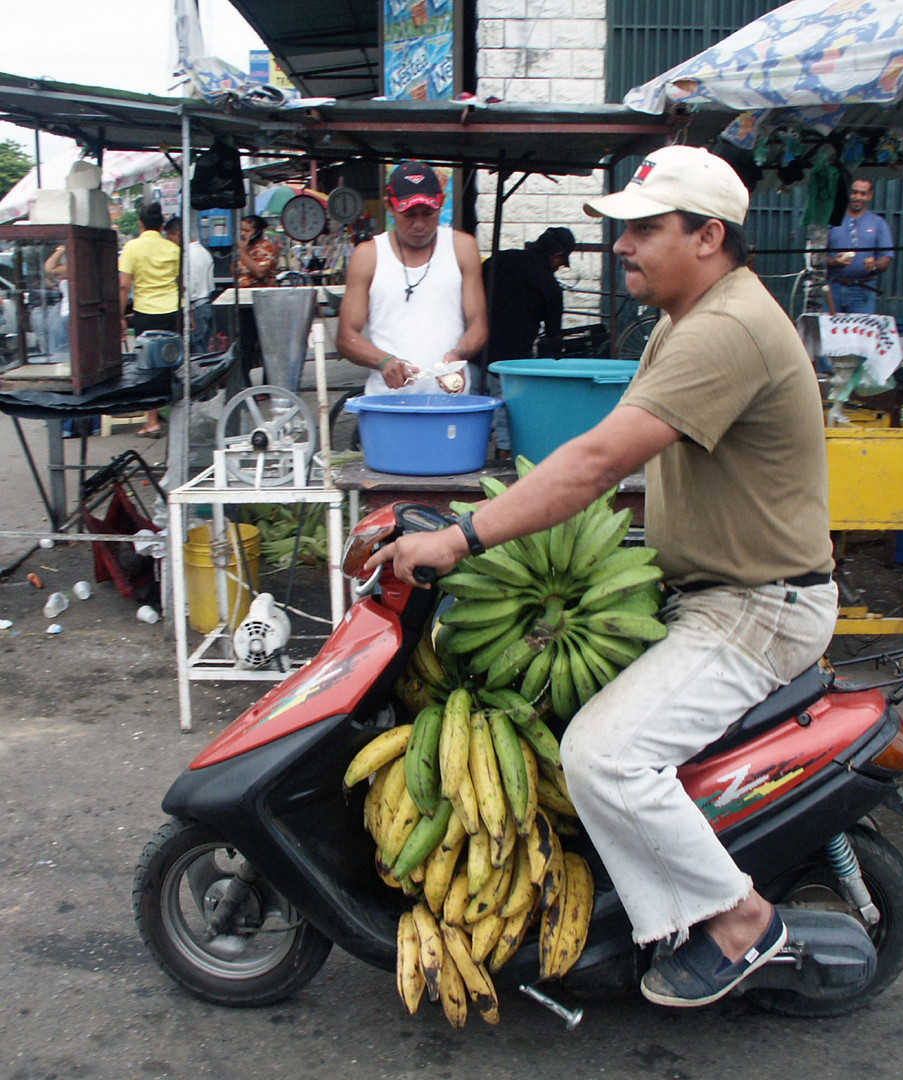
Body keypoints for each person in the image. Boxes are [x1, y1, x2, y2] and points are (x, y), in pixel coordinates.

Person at [366, 145, 837, 1007]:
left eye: (645, 229)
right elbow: (616, 447)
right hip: (706, 592)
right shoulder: (683, 321)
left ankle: (740, 921)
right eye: (621, 229)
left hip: (755, 609)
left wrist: (467, 535)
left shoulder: (728, 328)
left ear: (709, 236)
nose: (621, 246)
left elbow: (593, 464)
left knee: (602, 756)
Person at [336, 160, 487, 396]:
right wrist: (383, 361)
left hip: (449, 402)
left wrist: (458, 354)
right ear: (389, 206)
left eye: (428, 213)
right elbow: (346, 337)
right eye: (409, 214)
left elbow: (478, 325)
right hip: (387, 403)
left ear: (442, 204)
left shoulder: (462, 247)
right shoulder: (368, 256)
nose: (419, 225)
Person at [479, 226, 576, 453]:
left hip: (474, 351)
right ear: (557, 256)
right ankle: (503, 459)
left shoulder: (498, 260)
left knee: (473, 414)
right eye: (561, 263)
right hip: (510, 362)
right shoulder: (549, 286)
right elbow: (553, 335)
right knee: (507, 419)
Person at [118, 201, 180, 438]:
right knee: (173, 364)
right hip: (173, 311)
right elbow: (180, 284)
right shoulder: (173, 249)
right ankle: (178, 416)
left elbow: (124, 285)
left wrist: (120, 316)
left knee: (149, 366)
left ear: (141, 223)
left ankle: (152, 421)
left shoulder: (132, 247)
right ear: (162, 225)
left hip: (147, 313)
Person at [825, 178, 894, 313]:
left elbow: (886, 258)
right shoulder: (831, 220)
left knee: (861, 333)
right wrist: (834, 262)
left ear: (870, 195)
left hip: (864, 290)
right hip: (833, 288)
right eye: (854, 192)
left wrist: (874, 265)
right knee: (830, 333)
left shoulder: (878, 223)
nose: (858, 197)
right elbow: (815, 255)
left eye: (863, 194)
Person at [233, 214, 279, 382]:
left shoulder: (267, 247)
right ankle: (246, 384)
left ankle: (269, 384)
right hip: (244, 302)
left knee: (267, 345)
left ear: (256, 231)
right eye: (241, 230)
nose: (243, 234)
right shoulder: (241, 247)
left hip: (264, 301)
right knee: (245, 345)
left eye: (247, 230)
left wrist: (244, 254)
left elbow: (260, 271)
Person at [165, 217, 216, 355]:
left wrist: (189, 313)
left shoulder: (188, 255)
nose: (171, 243)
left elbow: (188, 289)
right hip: (206, 304)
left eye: (171, 238)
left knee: (196, 353)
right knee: (203, 349)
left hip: (196, 309)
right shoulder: (203, 251)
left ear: (177, 233)